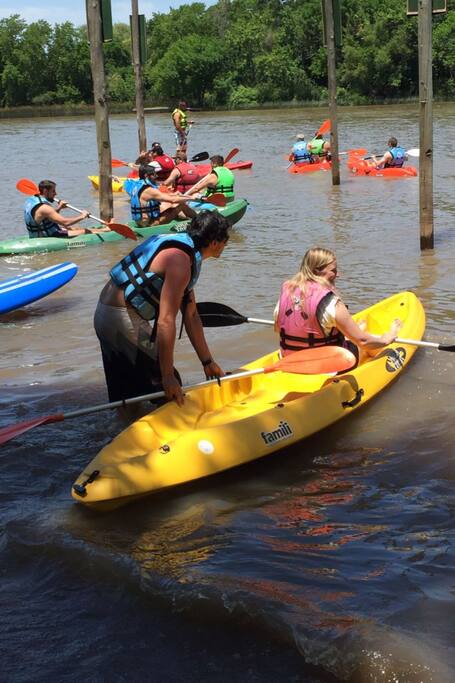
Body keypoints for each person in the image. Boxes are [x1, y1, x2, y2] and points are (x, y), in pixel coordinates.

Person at [94, 211, 230, 406]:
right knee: (167, 390)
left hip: (105, 313)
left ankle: (124, 422)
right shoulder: (180, 262)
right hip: (121, 317)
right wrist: (167, 376)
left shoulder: (182, 250)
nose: (226, 245)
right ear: (215, 242)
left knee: (127, 395)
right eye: (226, 240)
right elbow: (166, 321)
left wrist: (207, 362)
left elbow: (191, 315)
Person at [274, 247, 401, 366]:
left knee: (335, 331)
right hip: (324, 365)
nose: (338, 274)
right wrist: (386, 339)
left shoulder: (286, 293)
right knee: (361, 344)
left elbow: (279, 328)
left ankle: (355, 330)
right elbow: (363, 342)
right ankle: (361, 333)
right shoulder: (330, 302)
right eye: (333, 270)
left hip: (289, 360)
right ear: (317, 271)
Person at [23, 180, 109, 239]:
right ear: (45, 191)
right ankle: (107, 230)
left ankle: (105, 228)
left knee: (74, 228)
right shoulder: (45, 207)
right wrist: (82, 216)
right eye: (53, 191)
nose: (55, 194)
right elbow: (65, 222)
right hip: (48, 236)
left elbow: (47, 217)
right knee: (86, 231)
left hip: (40, 233)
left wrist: (60, 207)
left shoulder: (32, 200)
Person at [124, 163, 197, 227]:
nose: (156, 176)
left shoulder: (135, 186)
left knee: (170, 206)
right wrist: (193, 198)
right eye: (153, 174)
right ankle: (198, 221)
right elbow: (173, 200)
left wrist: (175, 195)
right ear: (146, 176)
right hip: (150, 224)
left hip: (139, 222)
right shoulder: (149, 190)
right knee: (181, 205)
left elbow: (163, 196)